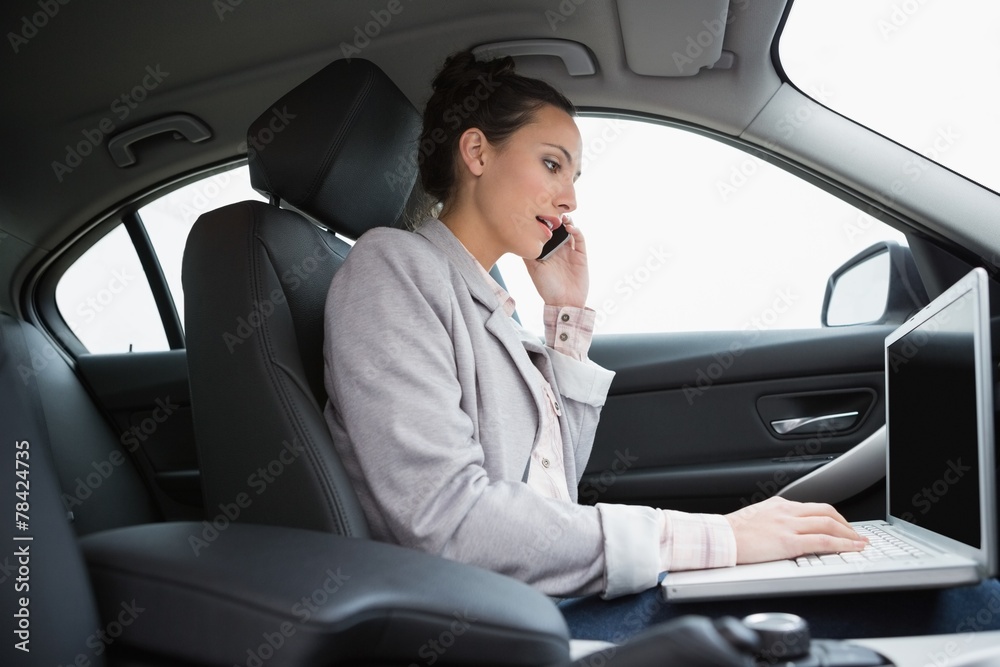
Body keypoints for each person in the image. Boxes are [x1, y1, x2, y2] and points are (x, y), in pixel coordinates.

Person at [323, 51, 999, 640]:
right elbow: (449, 520)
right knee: (962, 605)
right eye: (553, 163)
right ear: (476, 152)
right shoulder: (392, 270)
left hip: (546, 596)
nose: (570, 199)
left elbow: (554, 486)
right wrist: (718, 537)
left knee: (933, 594)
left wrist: (567, 312)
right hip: (506, 625)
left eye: (576, 176)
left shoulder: (485, 291)